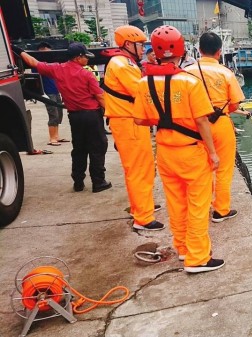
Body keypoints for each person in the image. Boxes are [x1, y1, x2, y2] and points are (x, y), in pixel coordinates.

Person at [133, 25, 224, 273]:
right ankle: (198, 258)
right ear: (181, 49)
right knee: (198, 205)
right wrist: (213, 153)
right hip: (191, 152)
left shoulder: (144, 83)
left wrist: (162, 118)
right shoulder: (189, 82)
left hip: (164, 151)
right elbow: (202, 120)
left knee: (176, 204)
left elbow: (139, 119)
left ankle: (182, 249)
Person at [15, 42, 111, 193]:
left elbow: (33, 62)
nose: (87, 60)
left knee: (79, 149)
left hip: (75, 117)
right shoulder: (86, 74)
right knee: (97, 147)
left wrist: (18, 51)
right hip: (92, 116)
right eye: (85, 57)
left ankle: (78, 182)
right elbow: (100, 97)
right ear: (78, 58)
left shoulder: (57, 69)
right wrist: (110, 114)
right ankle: (98, 182)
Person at [103, 25, 164, 231]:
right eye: (141, 45)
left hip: (128, 120)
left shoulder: (122, 62)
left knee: (138, 168)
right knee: (140, 168)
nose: (143, 48)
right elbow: (142, 90)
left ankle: (141, 206)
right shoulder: (123, 65)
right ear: (128, 44)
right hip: (128, 121)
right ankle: (144, 218)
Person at [184, 32, 247, 223]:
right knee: (224, 170)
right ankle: (221, 210)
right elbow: (235, 105)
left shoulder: (186, 73)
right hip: (220, 125)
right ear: (219, 52)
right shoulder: (226, 73)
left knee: (199, 170)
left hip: (192, 126)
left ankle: (199, 208)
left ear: (199, 50)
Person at [35, 42, 68, 146]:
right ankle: (52, 138)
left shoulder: (53, 63)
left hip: (56, 90)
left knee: (59, 113)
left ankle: (57, 136)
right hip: (48, 92)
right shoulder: (38, 65)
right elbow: (36, 79)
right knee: (53, 114)